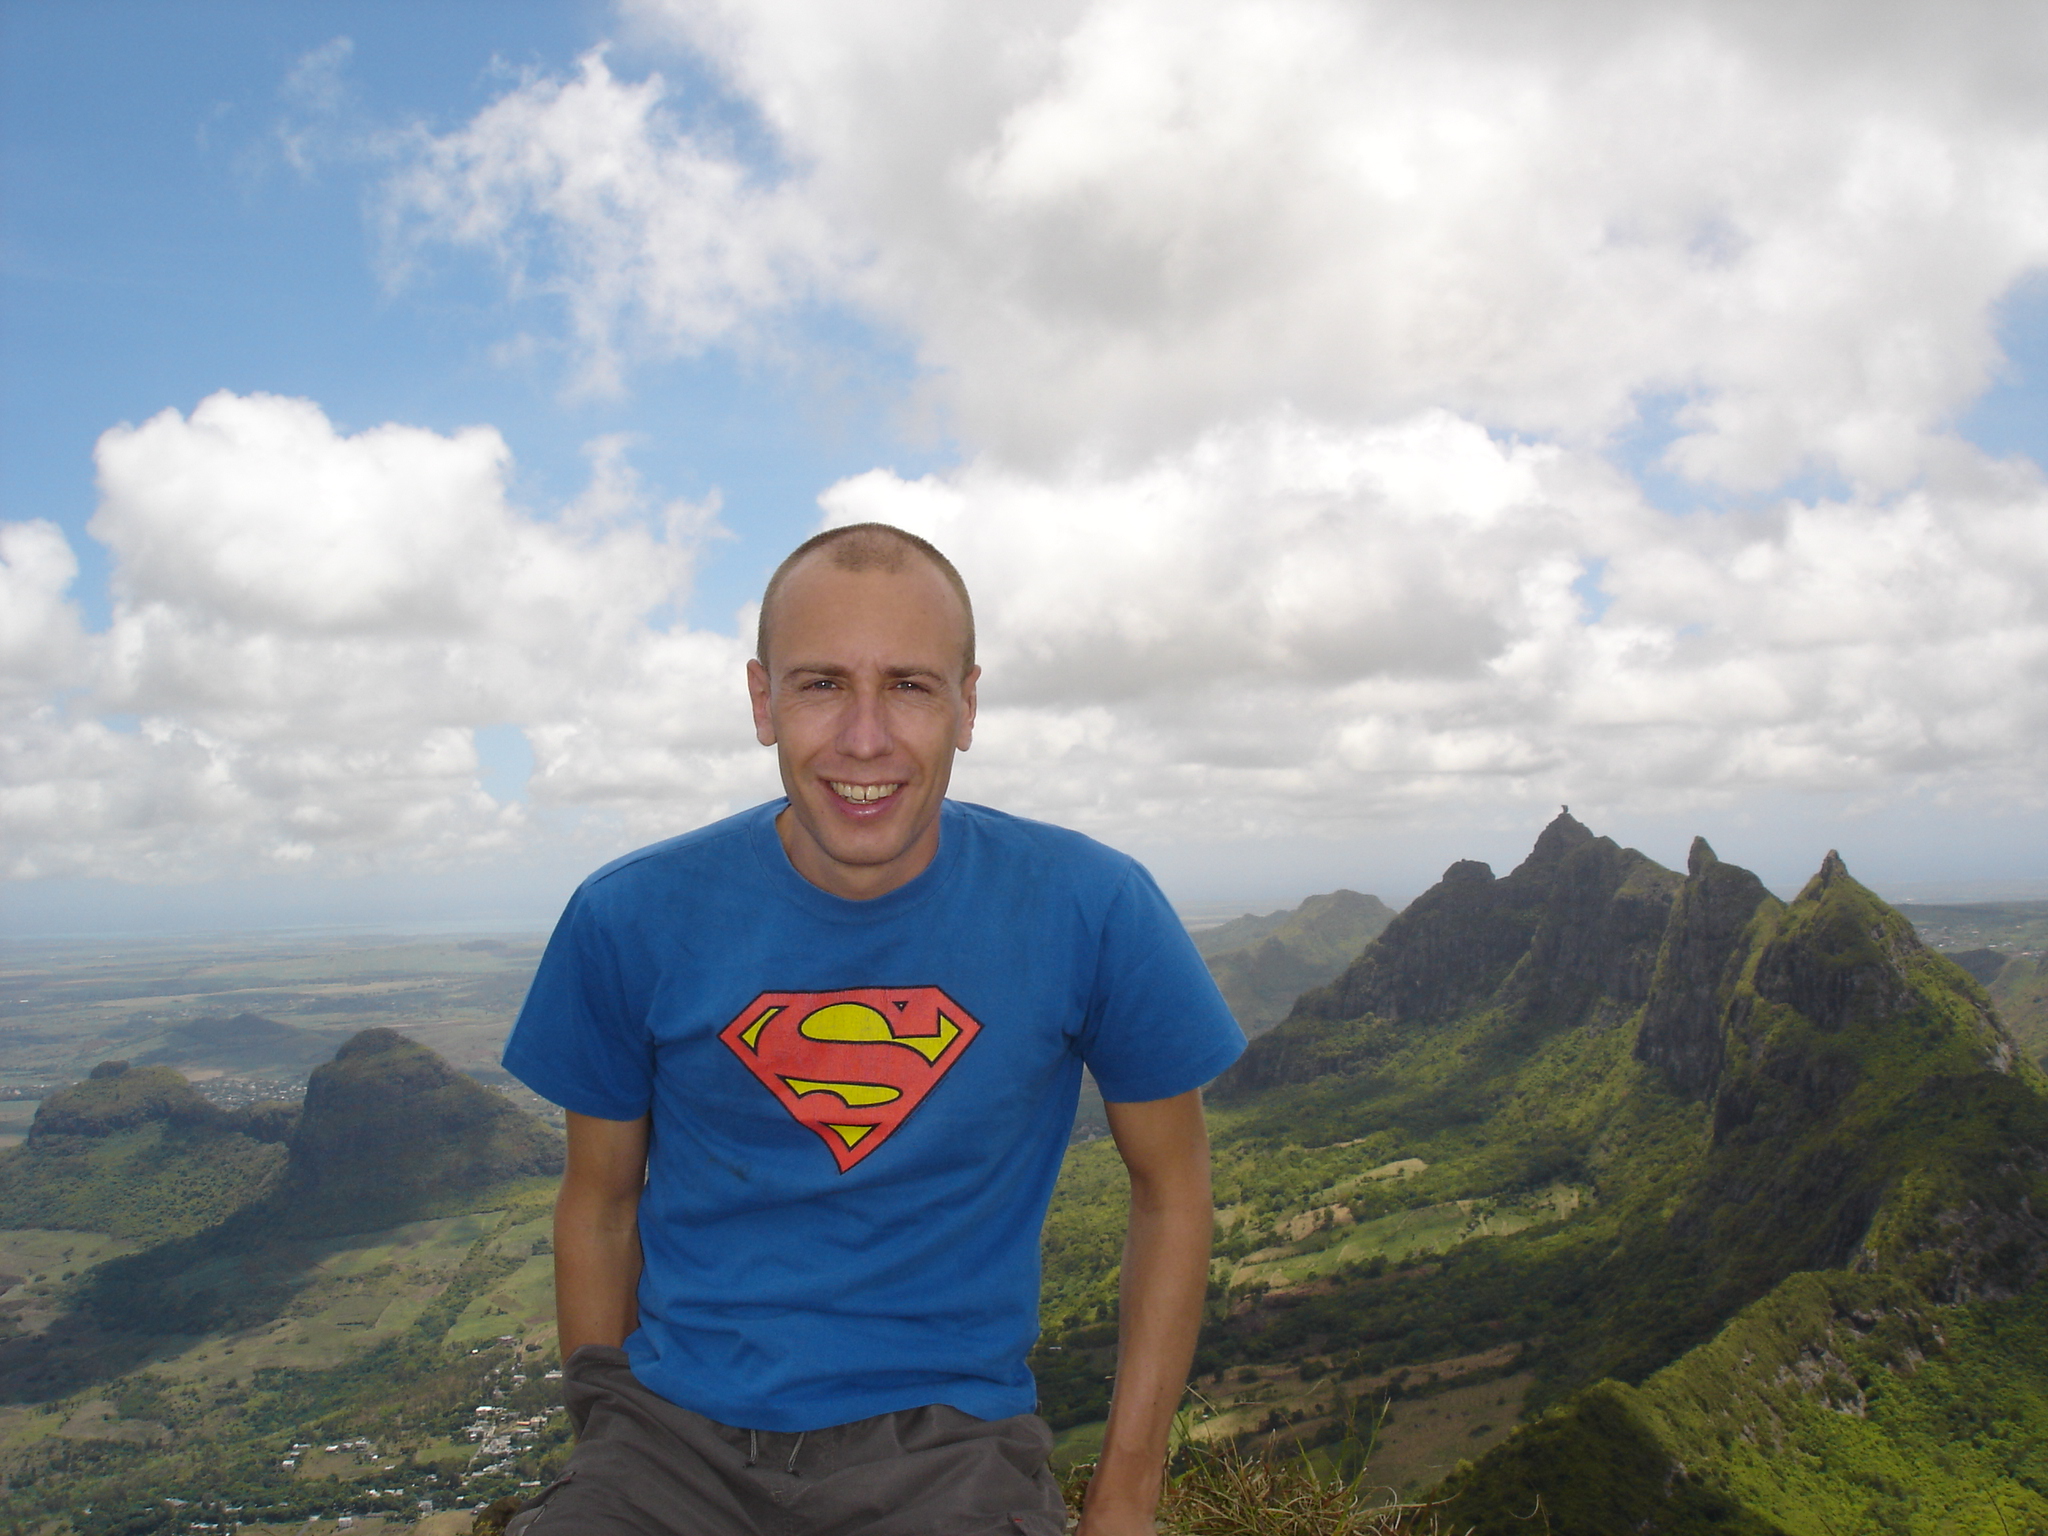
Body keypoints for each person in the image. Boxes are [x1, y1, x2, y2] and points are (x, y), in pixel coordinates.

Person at [502, 523, 1244, 1535]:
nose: (864, 739)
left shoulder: (1091, 908)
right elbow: (598, 1206)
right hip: (668, 1443)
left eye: (908, 686)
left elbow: (1173, 1191)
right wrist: (606, 1446)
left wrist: (1122, 1502)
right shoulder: (629, 915)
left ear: (966, 705)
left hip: (948, 1451)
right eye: (820, 685)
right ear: (762, 701)